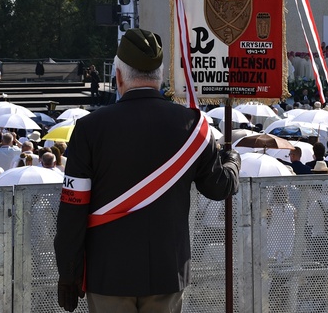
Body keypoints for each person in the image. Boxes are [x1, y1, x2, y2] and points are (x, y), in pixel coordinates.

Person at [54, 28, 240, 313]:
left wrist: (68, 272)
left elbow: (73, 208)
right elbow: (219, 187)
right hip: (167, 271)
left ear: (118, 76)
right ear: (161, 77)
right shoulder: (193, 125)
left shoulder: (90, 128)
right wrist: (232, 160)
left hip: (107, 274)